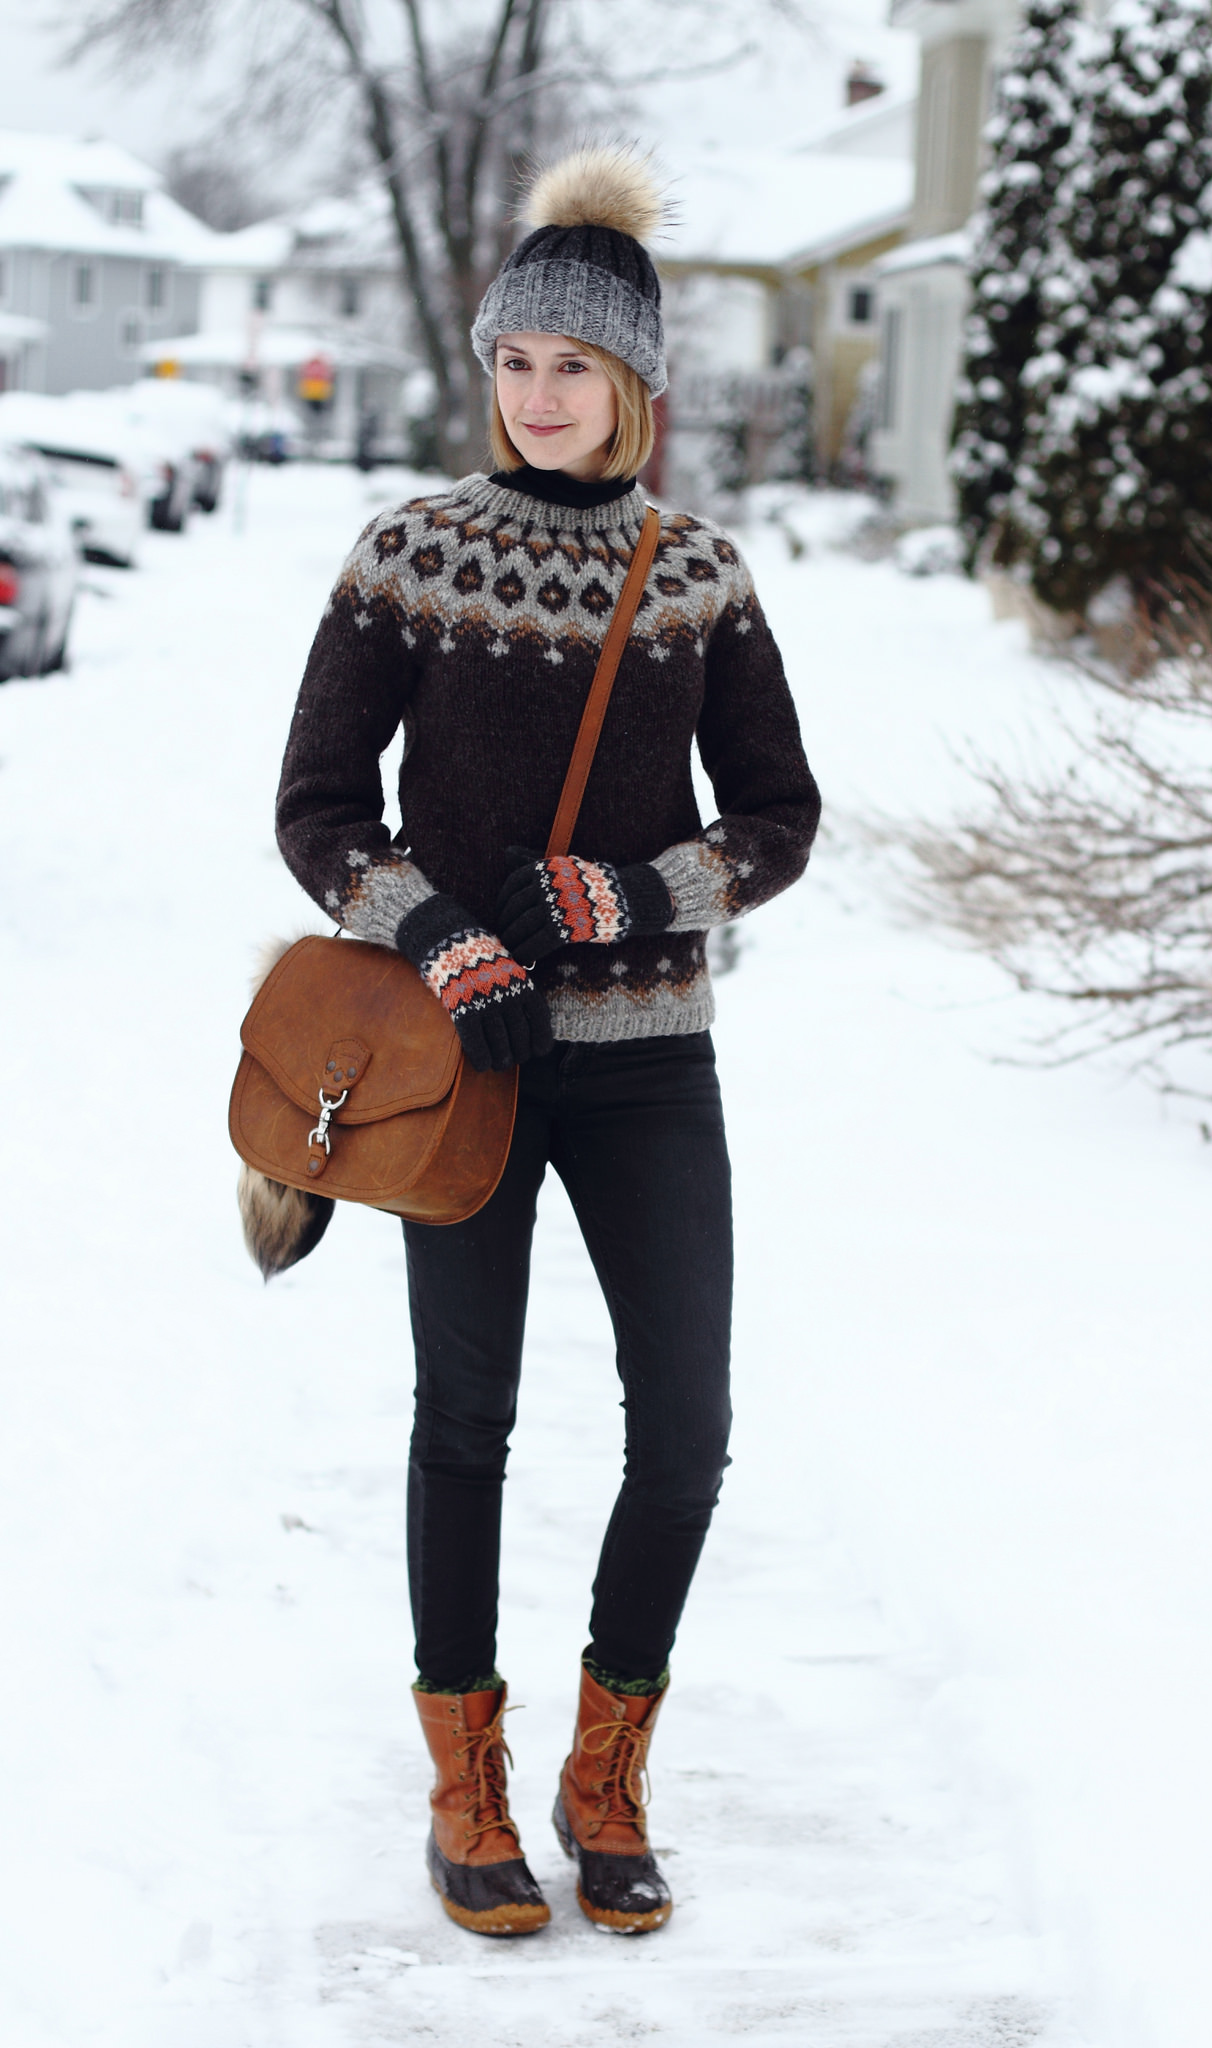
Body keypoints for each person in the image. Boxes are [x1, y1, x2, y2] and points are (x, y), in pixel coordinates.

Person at [273, 147, 820, 1938]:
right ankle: (465, 1785)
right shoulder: (411, 553)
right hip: (461, 1062)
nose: (537, 396)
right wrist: (430, 929)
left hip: (652, 1056)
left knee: (685, 1428)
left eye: (571, 368)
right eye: (515, 361)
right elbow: (317, 807)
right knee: (468, 1421)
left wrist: (635, 899)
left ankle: (608, 1772)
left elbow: (779, 817)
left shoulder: (701, 577)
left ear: (635, 386)